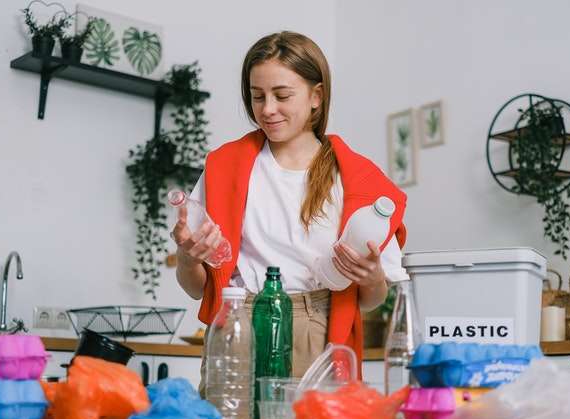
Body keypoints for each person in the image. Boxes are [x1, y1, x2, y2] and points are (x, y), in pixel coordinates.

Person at [171, 31, 409, 396]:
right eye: (257, 96)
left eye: (282, 96)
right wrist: (189, 259)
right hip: (238, 327)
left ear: (316, 96)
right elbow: (196, 288)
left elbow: (372, 300)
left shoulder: (358, 181)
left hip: (319, 333)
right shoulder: (223, 168)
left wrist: (371, 277)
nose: (267, 109)